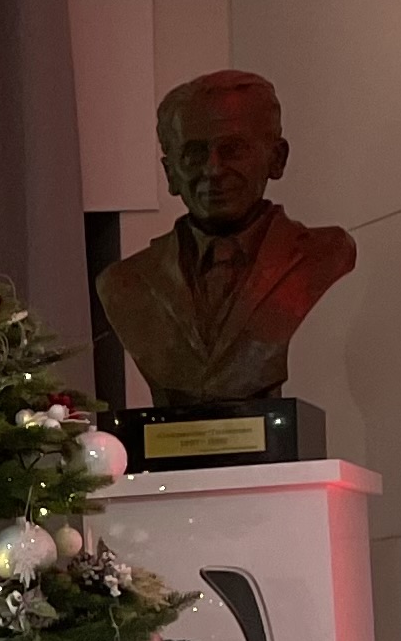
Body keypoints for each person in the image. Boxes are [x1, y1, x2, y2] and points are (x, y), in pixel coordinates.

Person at [95, 69, 356, 407]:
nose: (213, 170)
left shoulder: (324, 256)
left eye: (233, 149)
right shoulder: (125, 283)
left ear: (277, 158)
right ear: (170, 172)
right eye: (194, 153)